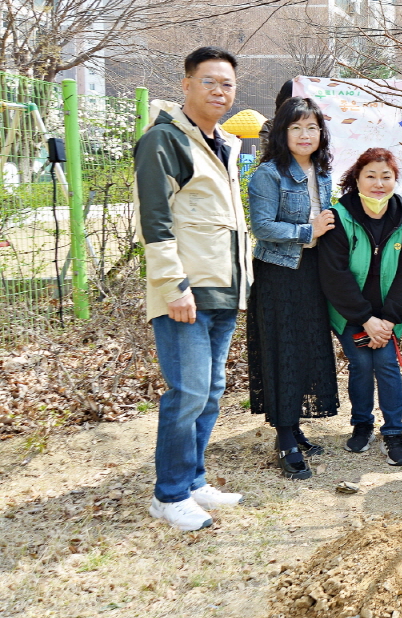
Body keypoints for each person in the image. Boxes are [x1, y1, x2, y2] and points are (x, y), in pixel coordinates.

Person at [134, 46, 252, 531]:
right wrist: (173, 285)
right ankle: (169, 494)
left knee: (210, 391)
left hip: (223, 288)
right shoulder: (164, 141)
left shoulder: (223, 142)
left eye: (227, 84)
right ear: (186, 84)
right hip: (185, 291)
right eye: (209, 81)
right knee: (186, 392)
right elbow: (155, 220)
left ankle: (194, 479)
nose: (220, 91)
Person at [247, 97, 339, 480]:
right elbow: (262, 227)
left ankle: (295, 425)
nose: (305, 135)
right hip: (279, 274)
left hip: (311, 273)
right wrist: (308, 231)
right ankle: (285, 438)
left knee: (305, 349)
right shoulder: (269, 173)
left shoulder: (322, 173)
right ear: (284, 133)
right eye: (297, 127)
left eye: (312, 128)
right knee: (282, 351)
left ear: (321, 133)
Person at [319, 148, 402, 466]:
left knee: (387, 365)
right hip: (350, 313)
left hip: (390, 317)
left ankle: (393, 432)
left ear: (395, 180)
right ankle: (362, 425)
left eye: (386, 176)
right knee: (362, 365)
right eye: (371, 176)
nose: (379, 183)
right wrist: (365, 319)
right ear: (357, 179)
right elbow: (334, 276)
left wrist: (388, 320)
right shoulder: (339, 217)